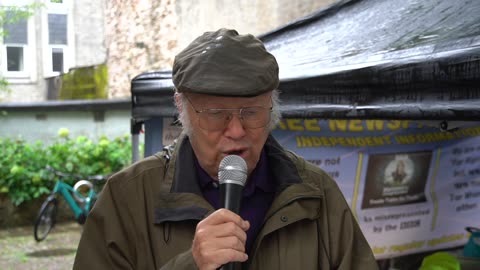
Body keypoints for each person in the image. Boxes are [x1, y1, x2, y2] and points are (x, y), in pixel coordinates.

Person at [73, 28, 379, 270]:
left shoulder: (315, 191)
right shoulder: (127, 196)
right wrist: (192, 265)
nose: (236, 131)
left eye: (252, 112)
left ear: (272, 109)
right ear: (183, 109)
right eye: (216, 114)